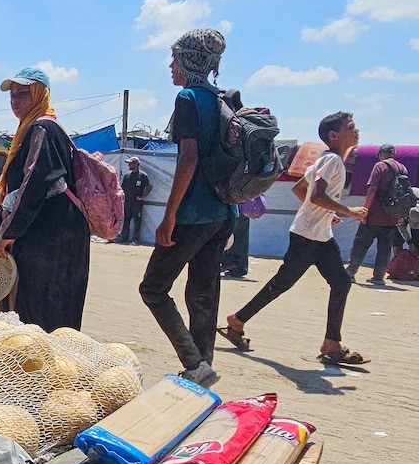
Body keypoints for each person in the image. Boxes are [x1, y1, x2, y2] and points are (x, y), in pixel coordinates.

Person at [220, 112, 368, 366]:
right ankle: (237, 320)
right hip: (307, 236)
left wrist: (327, 213)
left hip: (319, 235)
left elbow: (300, 188)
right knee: (282, 284)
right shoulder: (332, 160)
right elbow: (316, 196)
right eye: (350, 127)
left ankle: (332, 343)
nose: (357, 130)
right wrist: (346, 211)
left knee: (341, 283)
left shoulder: (325, 160)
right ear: (334, 135)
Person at [138, 28, 236, 388]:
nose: (170, 66)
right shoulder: (222, 99)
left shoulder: (189, 99)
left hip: (193, 213)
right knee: (203, 293)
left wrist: (169, 215)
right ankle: (202, 367)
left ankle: (194, 361)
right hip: (224, 213)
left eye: (175, 58)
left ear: (188, 61)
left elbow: (188, 158)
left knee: (153, 288)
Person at [0, 67, 89, 330]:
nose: (15, 100)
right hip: (48, 233)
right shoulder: (31, 129)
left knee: (41, 314)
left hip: (51, 239)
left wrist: (9, 232)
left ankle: (44, 368)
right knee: (42, 310)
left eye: (23, 94)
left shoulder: (42, 128)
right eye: (12, 95)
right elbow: (17, 192)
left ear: (41, 95)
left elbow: (34, 185)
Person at [347, 143, 406, 285]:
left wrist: (365, 210)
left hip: (374, 215)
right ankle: (378, 277)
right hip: (391, 217)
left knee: (361, 244)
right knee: (385, 249)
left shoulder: (380, 166)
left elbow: (372, 189)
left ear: (381, 154)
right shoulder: (403, 169)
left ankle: (350, 272)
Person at [118, 157, 152, 244]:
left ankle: (135, 239)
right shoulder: (127, 176)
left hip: (137, 203)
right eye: (129, 163)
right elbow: (122, 188)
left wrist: (143, 196)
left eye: (131, 163)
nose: (129, 165)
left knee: (137, 221)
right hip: (127, 202)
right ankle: (124, 237)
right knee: (126, 220)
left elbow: (149, 186)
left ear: (136, 164)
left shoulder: (142, 176)